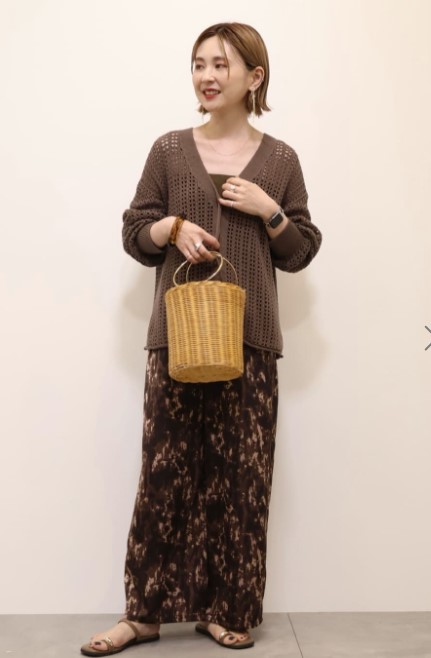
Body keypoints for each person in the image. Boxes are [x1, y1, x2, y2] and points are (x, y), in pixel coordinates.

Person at [80, 21, 322, 656]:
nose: (207, 76)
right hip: (177, 338)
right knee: (163, 474)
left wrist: (269, 210)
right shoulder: (168, 150)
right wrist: (170, 228)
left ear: (254, 76)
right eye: (198, 64)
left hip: (250, 341)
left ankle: (226, 608)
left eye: (221, 64)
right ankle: (144, 613)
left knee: (242, 479)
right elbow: (134, 230)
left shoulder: (281, 161)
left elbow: (301, 250)